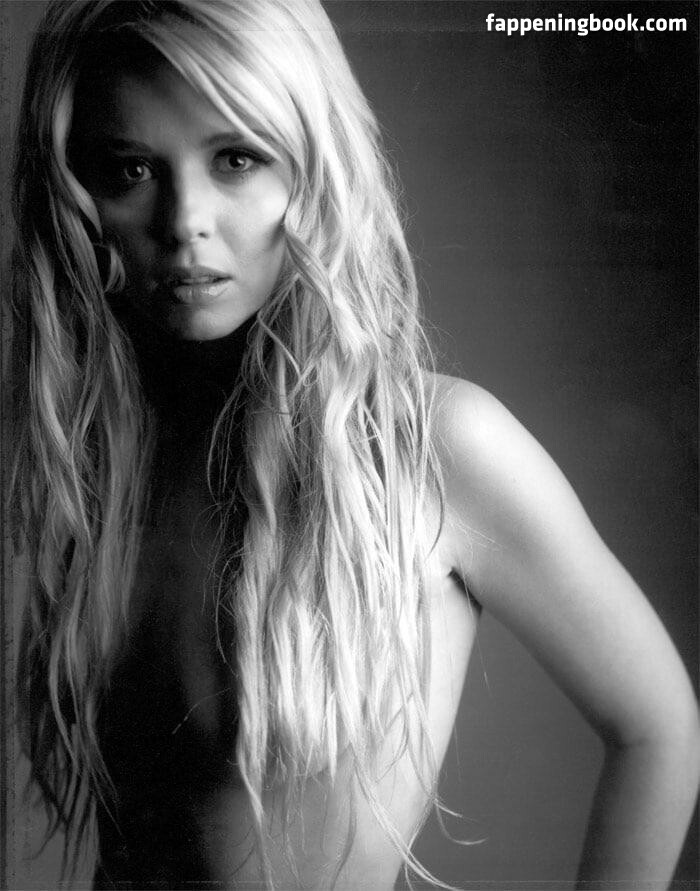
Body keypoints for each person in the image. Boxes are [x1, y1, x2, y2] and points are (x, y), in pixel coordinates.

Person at [8, 1, 699, 889]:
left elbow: (657, 726)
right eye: (131, 169)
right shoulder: (98, 456)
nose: (185, 219)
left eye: (236, 158)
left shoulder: (432, 445)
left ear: (316, 166)